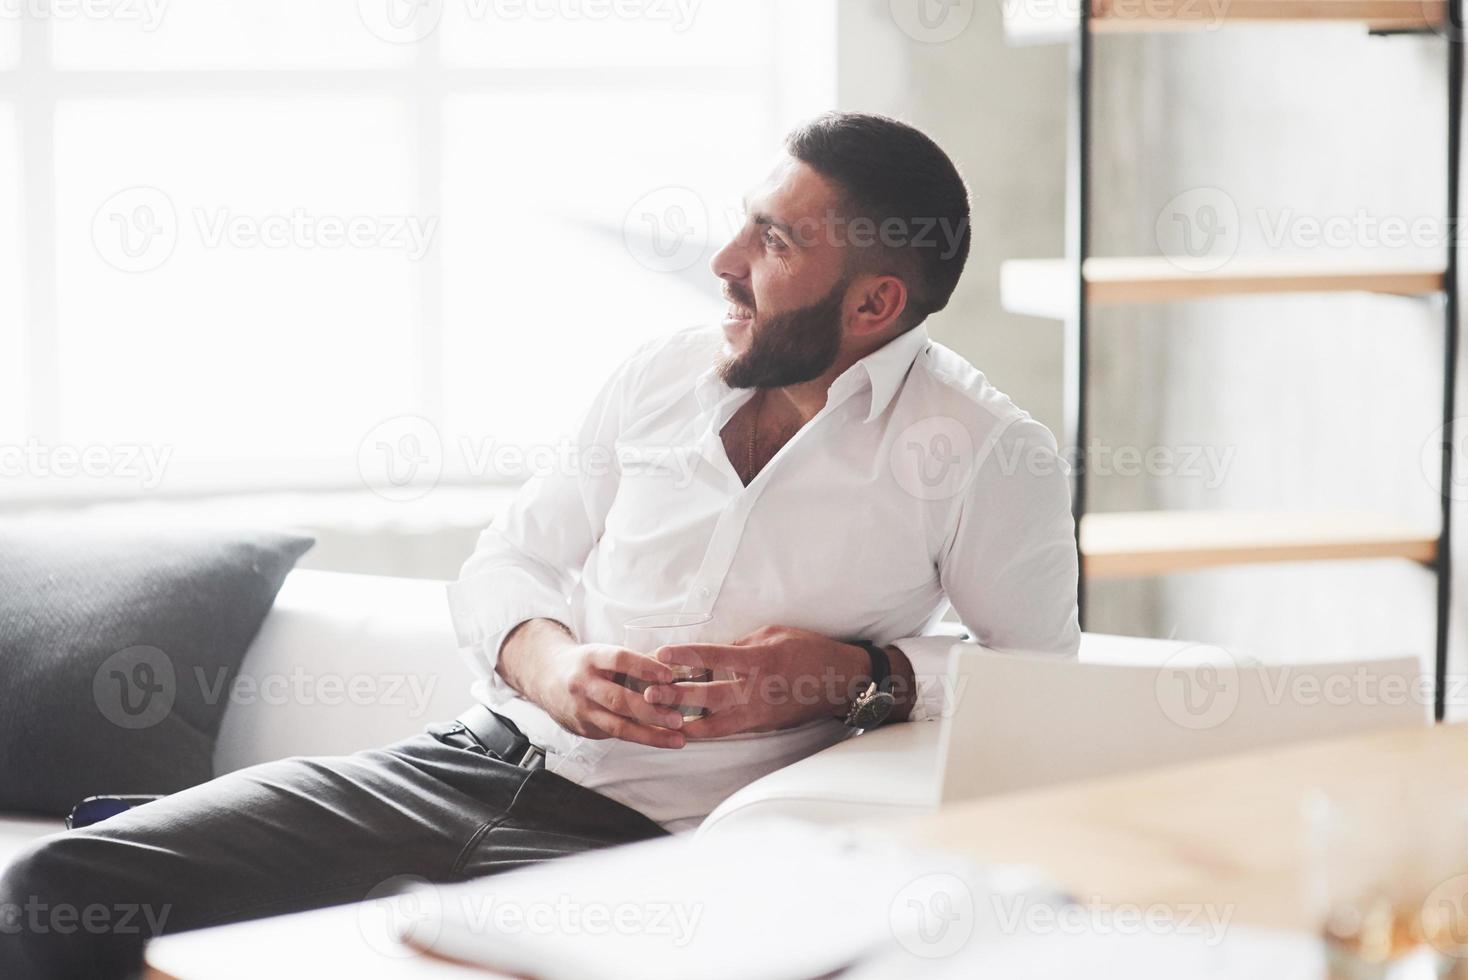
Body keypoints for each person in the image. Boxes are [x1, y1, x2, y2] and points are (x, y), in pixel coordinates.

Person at [0, 111, 1079, 979]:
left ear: (876, 300)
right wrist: (550, 662)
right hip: (463, 761)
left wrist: (855, 675)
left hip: (652, 845)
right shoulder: (660, 371)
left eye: (776, 242)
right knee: (56, 884)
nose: (723, 260)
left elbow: (1041, 687)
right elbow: (504, 561)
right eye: (747, 221)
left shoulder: (984, 452)